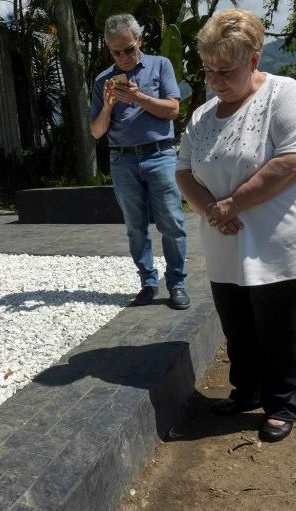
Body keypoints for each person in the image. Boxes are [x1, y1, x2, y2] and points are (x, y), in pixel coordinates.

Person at [176, 8, 296, 442]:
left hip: (284, 242)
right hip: (225, 242)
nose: (215, 80)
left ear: (253, 59)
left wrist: (232, 204)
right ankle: (245, 391)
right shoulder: (204, 115)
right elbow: (184, 170)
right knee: (239, 326)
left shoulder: (286, 95)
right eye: (209, 70)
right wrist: (212, 209)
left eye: (225, 70)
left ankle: (281, 404)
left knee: (280, 329)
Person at [90, 13, 190, 310]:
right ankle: (148, 282)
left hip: (160, 154)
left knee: (171, 221)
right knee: (135, 227)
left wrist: (137, 98)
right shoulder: (102, 81)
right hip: (122, 159)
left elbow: (173, 110)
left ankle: (177, 283)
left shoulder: (161, 65)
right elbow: (96, 131)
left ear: (139, 41)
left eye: (128, 49)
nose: (122, 57)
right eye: (115, 52)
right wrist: (108, 106)